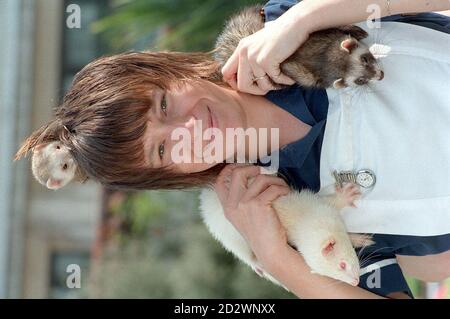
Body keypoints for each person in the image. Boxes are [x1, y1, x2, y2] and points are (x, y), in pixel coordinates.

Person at [14, 0, 450, 298]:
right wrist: (280, 260)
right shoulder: (282, 215)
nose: (189, 127)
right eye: (164, 151)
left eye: (165, 104)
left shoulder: (284, 26)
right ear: (172, 176)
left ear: (169, 70)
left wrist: (301, 20)